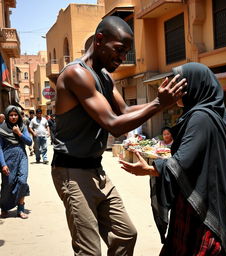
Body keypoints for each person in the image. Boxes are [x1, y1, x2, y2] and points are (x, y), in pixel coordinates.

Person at [51, 16, 186, 256]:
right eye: (119, 50)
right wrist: (157, 103)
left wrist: (163, 104)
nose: (122, 58)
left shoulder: (103, 76)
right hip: (71, 172)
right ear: (100, 40)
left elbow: (124, 112)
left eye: (126, 53)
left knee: (125, 234)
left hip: (95, 169)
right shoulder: (77, 75)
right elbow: (114, 125)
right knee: (89, 251)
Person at [120, 62, 226, 256]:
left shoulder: (200, 118)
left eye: (179, 85)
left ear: (193, 87)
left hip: (201, 211)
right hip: (202, 200)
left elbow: (183, 162)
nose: (172, 89)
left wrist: (152, 169)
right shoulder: (210, 115)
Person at [0, 105, 32, 219]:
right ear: (7, 116)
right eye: (11, 115)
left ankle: (21, 208)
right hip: (7, 159)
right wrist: (3, 164)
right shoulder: (1, 129)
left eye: (15, 115)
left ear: (18, 116)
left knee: (22, 182)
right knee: (7, 184)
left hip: (22, 157)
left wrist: (19, 133)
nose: (13, 117)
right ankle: (4, 207)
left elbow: (29, 142)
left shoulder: (22, 127)